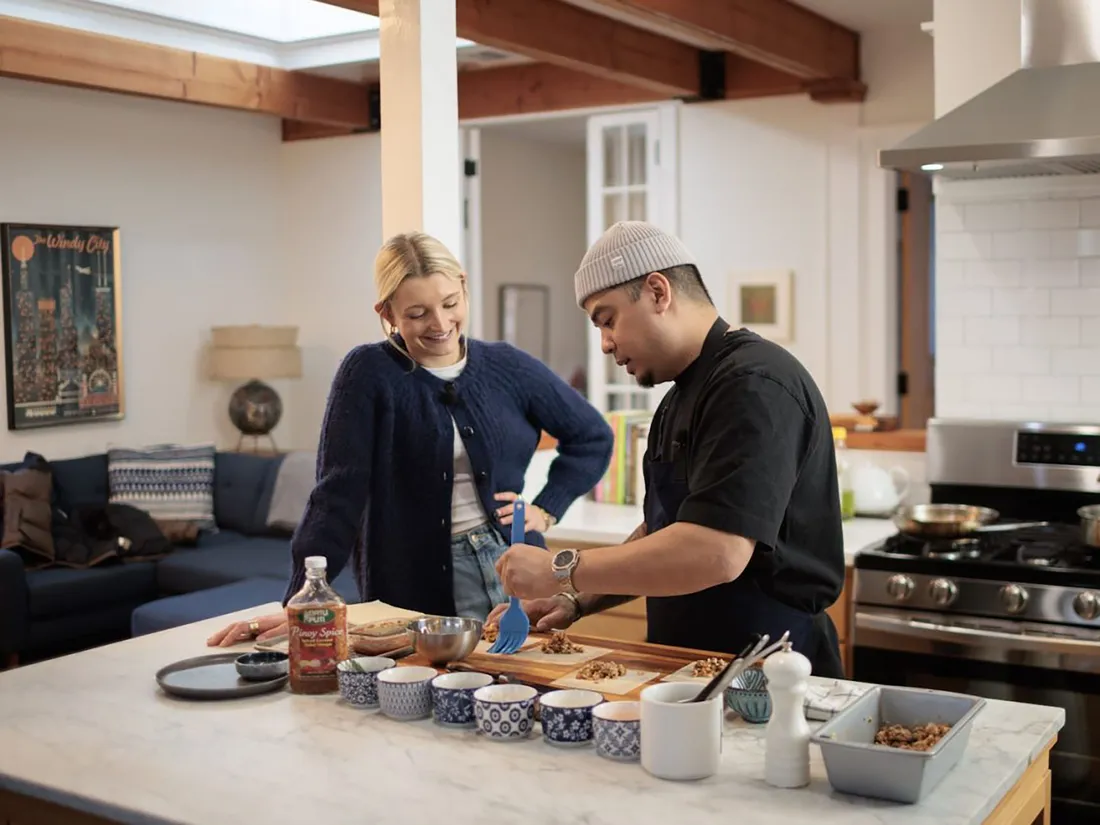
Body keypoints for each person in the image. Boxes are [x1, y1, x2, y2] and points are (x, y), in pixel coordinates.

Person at [207, 232, 613, 647]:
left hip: (517, 568)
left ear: (464, 286)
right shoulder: (367, 374)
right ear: (387, 313)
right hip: (412, 578)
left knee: (522, 680)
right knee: (424, 684)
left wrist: (546, 509)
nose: (440, 324)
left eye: (450, 303)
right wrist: (301, 598)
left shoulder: (507, 366)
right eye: (418, 313)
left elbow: (593, 436)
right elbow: (336, 496)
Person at [489, 220, 846, 678]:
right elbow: (668, 529)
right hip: (693, 666)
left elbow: (716, 551)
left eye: (608, 320)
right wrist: (574, 599)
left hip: (766, 672)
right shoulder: (681, 396)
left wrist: (562, 568)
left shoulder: (753, 385)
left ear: (658, 292)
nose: (605, 344)